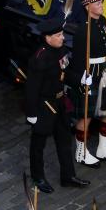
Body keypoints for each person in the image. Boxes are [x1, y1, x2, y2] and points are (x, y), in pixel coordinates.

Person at [26, 16, 90, 194]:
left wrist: (80, 79)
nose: (63, 38)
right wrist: (31, 113)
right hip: (44, 105)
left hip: (60, 101)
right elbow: (32, 88)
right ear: (48, 38)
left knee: (64, 141)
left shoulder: (60, 50)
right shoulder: (40, 59)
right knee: (38, 145)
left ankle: (68, 176)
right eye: (59, 35)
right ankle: (38, 177)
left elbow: (65, 72)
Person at [69, 0, 106, 168]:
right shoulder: (82, 31)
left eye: (101, 2)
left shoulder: (102, 20)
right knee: (87, 116)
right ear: (87, 7)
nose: (101, 5)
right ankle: (81, 152)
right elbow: (77, 59)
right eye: (97, 3)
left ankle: (103, 148)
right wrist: (80, 80)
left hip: (103, 72)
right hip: (89, 74)